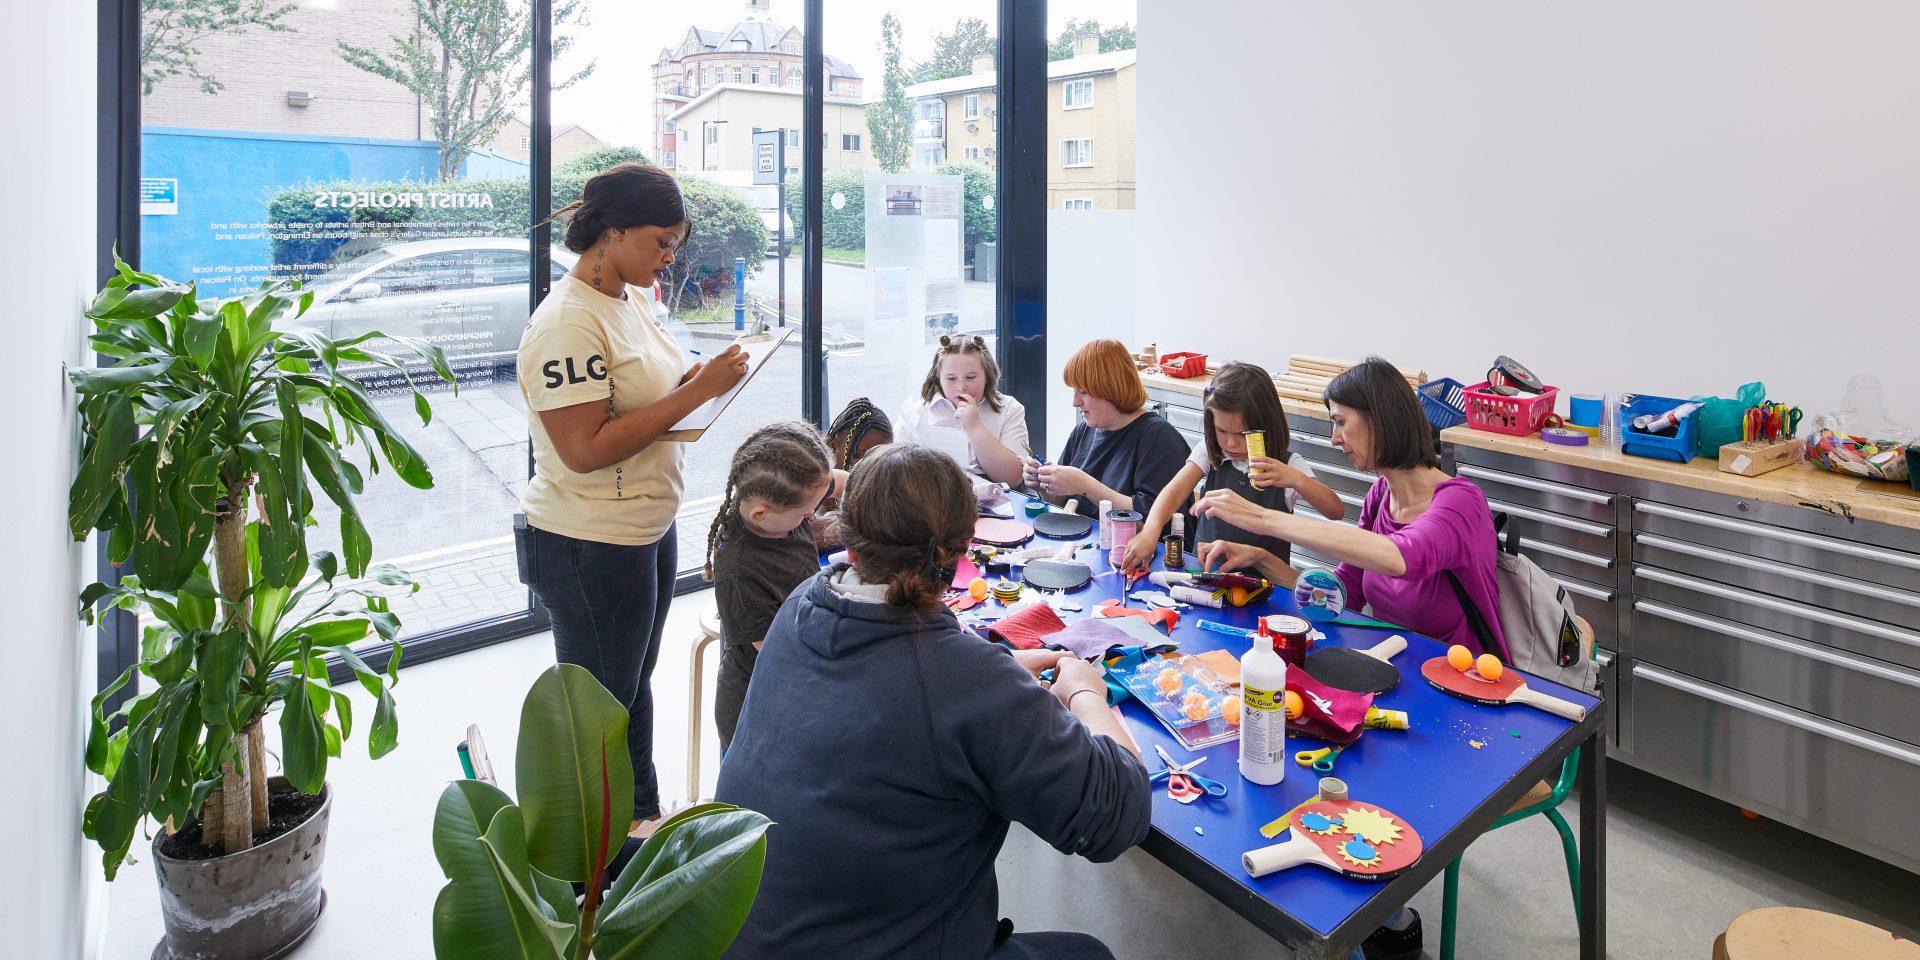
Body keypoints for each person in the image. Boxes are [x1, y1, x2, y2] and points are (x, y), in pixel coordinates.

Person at [716, 444, 1151, 960]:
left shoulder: (802, 604)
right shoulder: (966, 680)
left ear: (850, 542)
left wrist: (994, 681)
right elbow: (1116, 818)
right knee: (1088, 954)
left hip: (741, 934)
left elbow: (895, 696)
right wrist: (1084, 693)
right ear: (964, 546)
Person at [515, 162, 749, 838]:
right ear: (611, 232)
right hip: (589, 541)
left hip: (644, 525)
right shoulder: (567, 324)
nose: (669, 256)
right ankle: (588, 859)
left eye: (676, 243)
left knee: (631, 683)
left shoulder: (629, 298)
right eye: (660, 240)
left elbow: (650, 392)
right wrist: (695, 393)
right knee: (598, 708)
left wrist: (697, 380)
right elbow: (582, 449)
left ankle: (639, 819)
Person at [1193, 356, 1507, 660]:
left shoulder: (1461, 502)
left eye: (1340, 422)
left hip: (1466, 684)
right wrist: (1261, 560)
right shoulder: (1381, 494)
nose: (1334, 439)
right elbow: (1339, 596)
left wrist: (1261, 518)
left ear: (1379, 419)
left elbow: (1402, 556)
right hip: (1397, 667)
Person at [1123, 361, 1344, 574]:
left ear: (1266, 425)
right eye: (1221, 431)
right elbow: (1174, 492)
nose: (1230, 443)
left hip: (1264, 590)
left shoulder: (1288, 465)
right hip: (1206, 575)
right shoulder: (1210, 453)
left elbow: (1335, 511)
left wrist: (1297, 479)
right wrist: (1150, 531)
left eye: (1241, 434)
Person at [704, 421, 844, 750]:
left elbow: (840, 483)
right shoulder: (740, 574)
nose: (813, 516)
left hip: (798, 684)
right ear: (760, 514)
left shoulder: (783, 502)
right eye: (805, 513)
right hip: (759, 712)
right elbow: (784, 651)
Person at [1025, 339, 1191, 535]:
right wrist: (1045, 485)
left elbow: (1148, 523)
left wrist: (1085, 485)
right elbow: (1064, 502)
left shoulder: (1159, 438)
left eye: (1083, 392)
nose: (1075, 402)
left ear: (1110, 389)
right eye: (1074, 391)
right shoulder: (1084, 431)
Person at [893, 334, 1030, 485]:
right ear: (938, 378)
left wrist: (975, 426)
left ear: (987, 376)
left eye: (971, 377)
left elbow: (1013, 478)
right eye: (951, 378)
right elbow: (898, 473)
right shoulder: (917, 413)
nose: (961, 386)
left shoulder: (1009, 408)